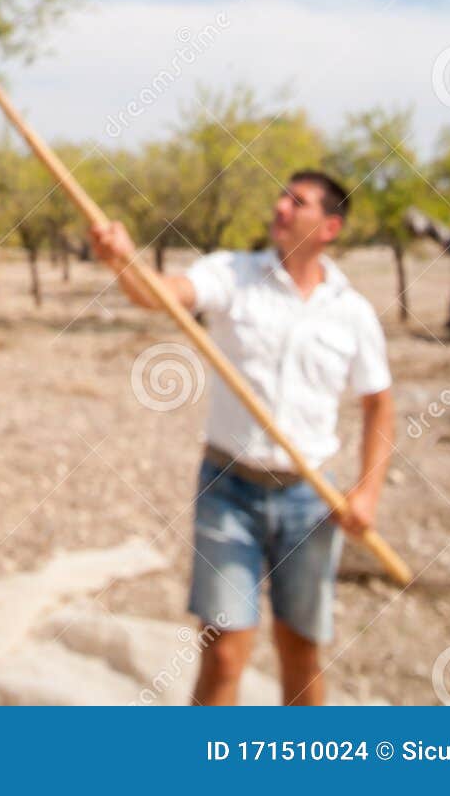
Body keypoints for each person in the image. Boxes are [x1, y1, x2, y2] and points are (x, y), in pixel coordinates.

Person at [88, 170, 394, 707]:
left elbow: (378, 405)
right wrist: (122, 259)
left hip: (310, 500)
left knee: (300, 649)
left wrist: (367, 491)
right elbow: (161, 296)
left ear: (329, 226)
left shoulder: (353, 312)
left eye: (296, 201)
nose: (279, 205)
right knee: (225, 650)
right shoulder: (233, 273)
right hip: (229, 489)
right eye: (280, 194)